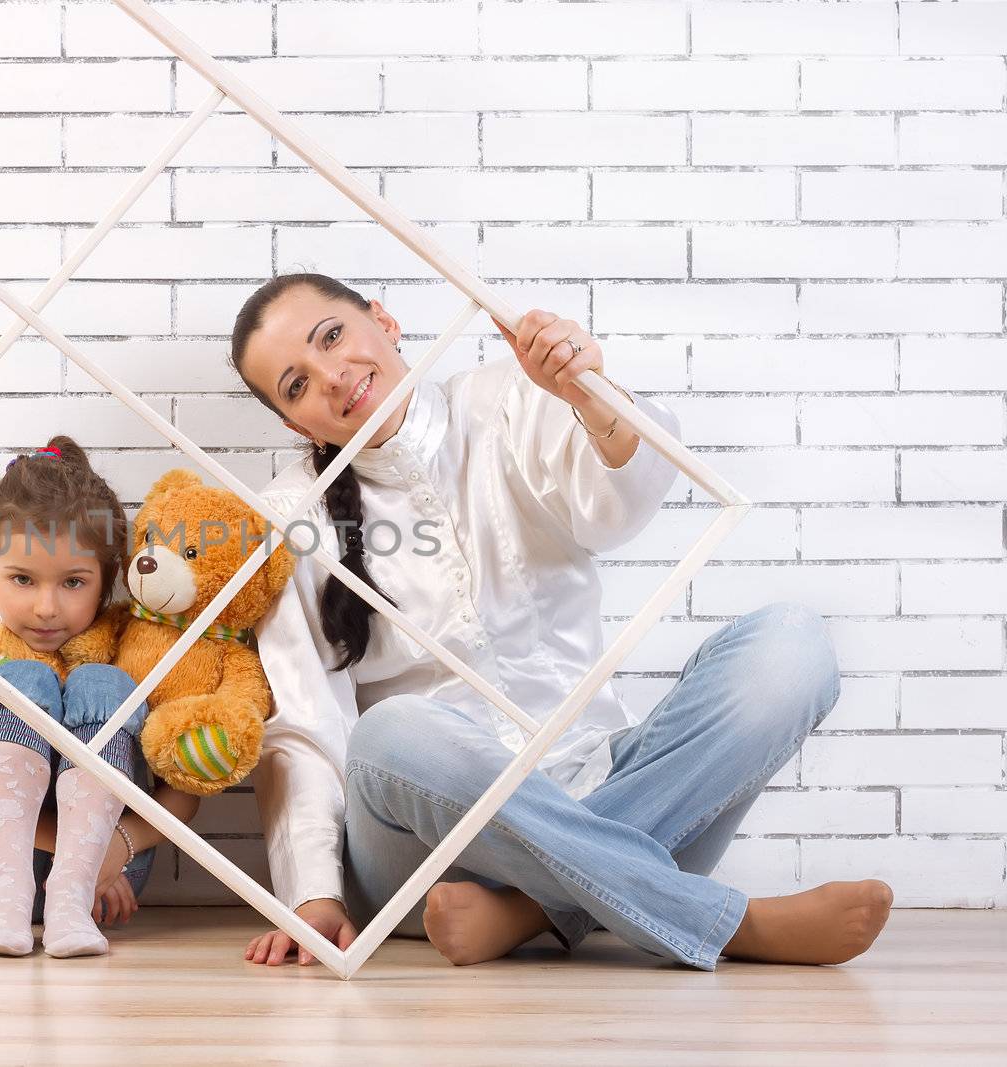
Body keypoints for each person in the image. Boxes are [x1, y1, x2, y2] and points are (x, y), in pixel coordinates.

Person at [229, 273, 893, 969]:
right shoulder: (289, 517)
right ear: (292, 423)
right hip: (427, 853)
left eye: (332, 336)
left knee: (790, 647)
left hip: (601, 779)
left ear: (383, 320)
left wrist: (589, 399)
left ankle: (534, 911)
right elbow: (304, 725)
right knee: (393, 729)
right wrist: (312, 893)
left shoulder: (506, 396)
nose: (332, 377)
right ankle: (728, 924)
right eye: (296, 385)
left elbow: (616, 509)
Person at [0, 435, 202, 957]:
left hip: (109, 873)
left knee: (104, 684)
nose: (46, 607)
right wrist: (71, 849)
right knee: (24, 680)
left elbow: (182, 792)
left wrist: (112, 851)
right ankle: (12, 900)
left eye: (73, 582)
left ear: (106, 581)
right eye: (22, 579)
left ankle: (68, 901)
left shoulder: (132, 651)